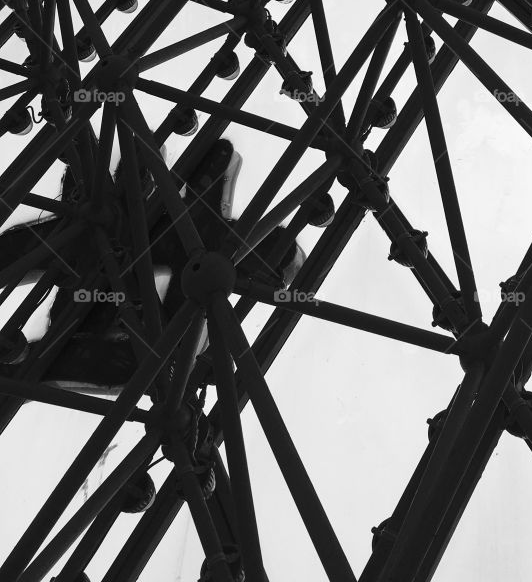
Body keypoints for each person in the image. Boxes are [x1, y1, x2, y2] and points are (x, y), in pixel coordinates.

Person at [0, 139, 304, 394]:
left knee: (130, 364)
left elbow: (217, 155)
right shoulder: (205, 226)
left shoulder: (207, 205)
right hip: (100, 258)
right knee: (133, 364)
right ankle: (26, 365)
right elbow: (167, 352)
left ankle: (28, 365)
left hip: (97, 256)